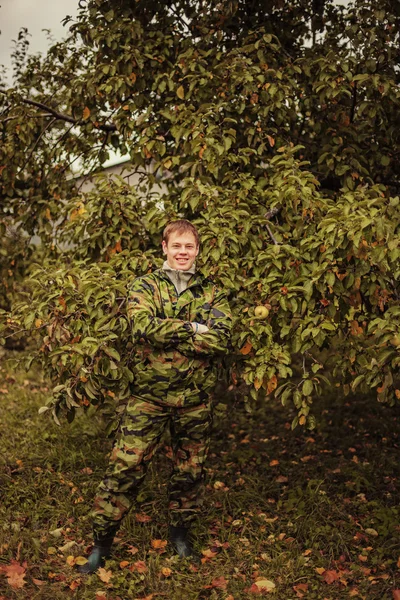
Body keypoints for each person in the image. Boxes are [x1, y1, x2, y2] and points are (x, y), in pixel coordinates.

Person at [78, 219, 232, 574]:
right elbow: (141, 327)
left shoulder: (212, 293)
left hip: (194, 399)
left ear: (197, 250)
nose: (183, 253)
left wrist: (170, 332)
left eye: (189, 247)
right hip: (148, 397)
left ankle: (180, 537)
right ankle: (102, 544)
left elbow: (222, 339)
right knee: (125, 468)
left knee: (189, 471)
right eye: (176, 246)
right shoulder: (145, 286)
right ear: (164, 247)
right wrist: (195, 328)